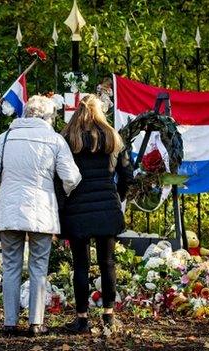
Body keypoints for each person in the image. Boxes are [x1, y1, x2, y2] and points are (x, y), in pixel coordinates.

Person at [0, 95, 81, 336]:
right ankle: (36, 323)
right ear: (48, 117)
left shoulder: (6, 137)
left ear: (26, 114)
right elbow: (71, 176)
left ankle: (9, 322)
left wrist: (3, 186)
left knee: (12, 265)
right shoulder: (54, 139)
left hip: (10, 208)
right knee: (39, 266)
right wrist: (60, 191)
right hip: (41, 209)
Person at [58, 94, 133, 333]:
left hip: (77, 208)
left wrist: (62, 205)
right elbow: (127, 175)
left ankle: (81, 319)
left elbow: (59, 176)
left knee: (80, 264)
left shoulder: (67, 138)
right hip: (106, 207)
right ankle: (109, 316)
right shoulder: (113, 137)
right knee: (107, 263)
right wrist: (117, 196)